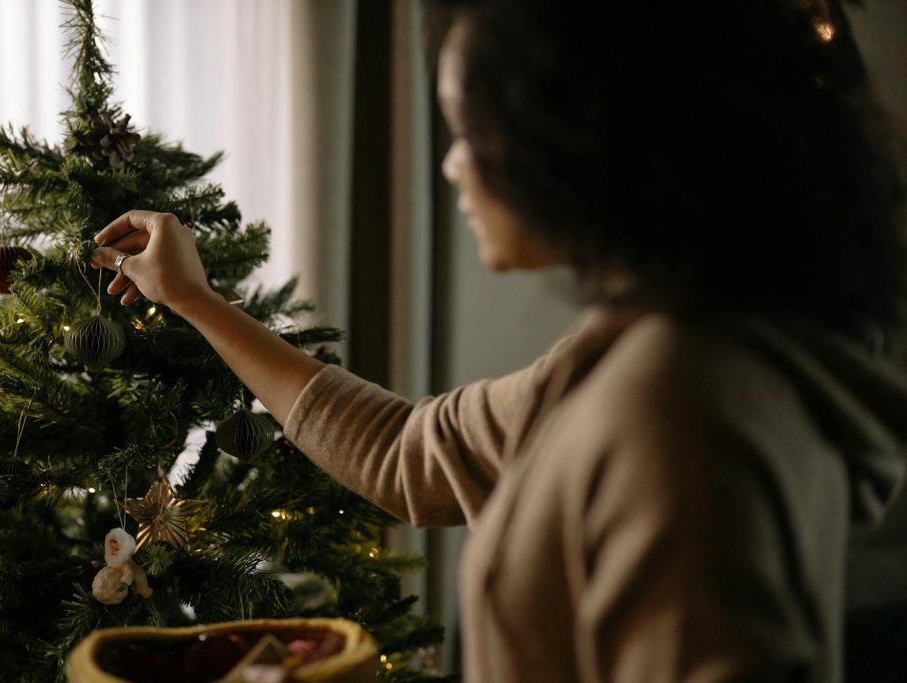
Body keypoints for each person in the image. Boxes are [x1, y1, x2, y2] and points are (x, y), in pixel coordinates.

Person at [90, 1, 907, 680]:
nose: (451, 167)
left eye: (471, 130)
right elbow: (406, 452)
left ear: (581, 139)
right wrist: (196, 301)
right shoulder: (659, 360)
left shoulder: (671, 414)